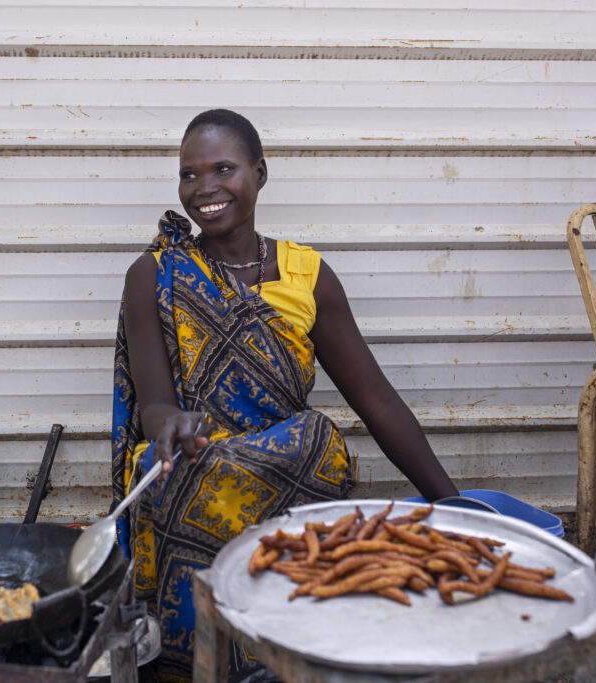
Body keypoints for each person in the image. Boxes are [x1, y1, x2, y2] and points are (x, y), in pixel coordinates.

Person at [110, 109, 458, 680]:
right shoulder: (153, 275)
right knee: (164, 469)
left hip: (288, 465)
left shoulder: (307, 273)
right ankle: (204, 663)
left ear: (260, 173)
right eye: (189, 175)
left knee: (318, 434)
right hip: (198, 466)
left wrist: (451, 504)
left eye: (223, 169)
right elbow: (154, 405)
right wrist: (169, 422)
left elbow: (376, 400)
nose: (205, 189)